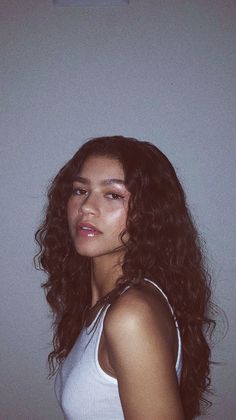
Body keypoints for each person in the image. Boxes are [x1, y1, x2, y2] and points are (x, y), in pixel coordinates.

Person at [35, 136, 216, 420]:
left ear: (149, 212)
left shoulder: (131, 315)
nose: (86, 208)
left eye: (113, 195)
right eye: (80, 190)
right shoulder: (100, 303)